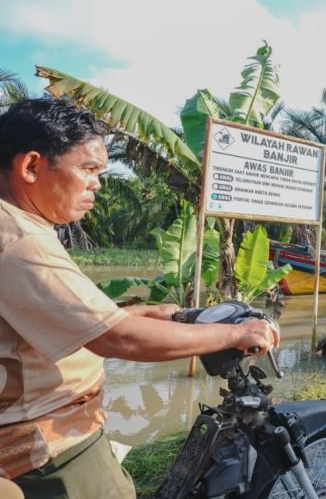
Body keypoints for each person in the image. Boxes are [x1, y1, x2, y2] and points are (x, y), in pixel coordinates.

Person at [0, 99, 279, 497]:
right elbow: (117, 339)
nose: (97, 182)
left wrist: (132, 311)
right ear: (30, 166)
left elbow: (39, 318)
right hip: (47, 447)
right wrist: (234, 334)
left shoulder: (19, 223)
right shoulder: (20, 240)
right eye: (88, 168)